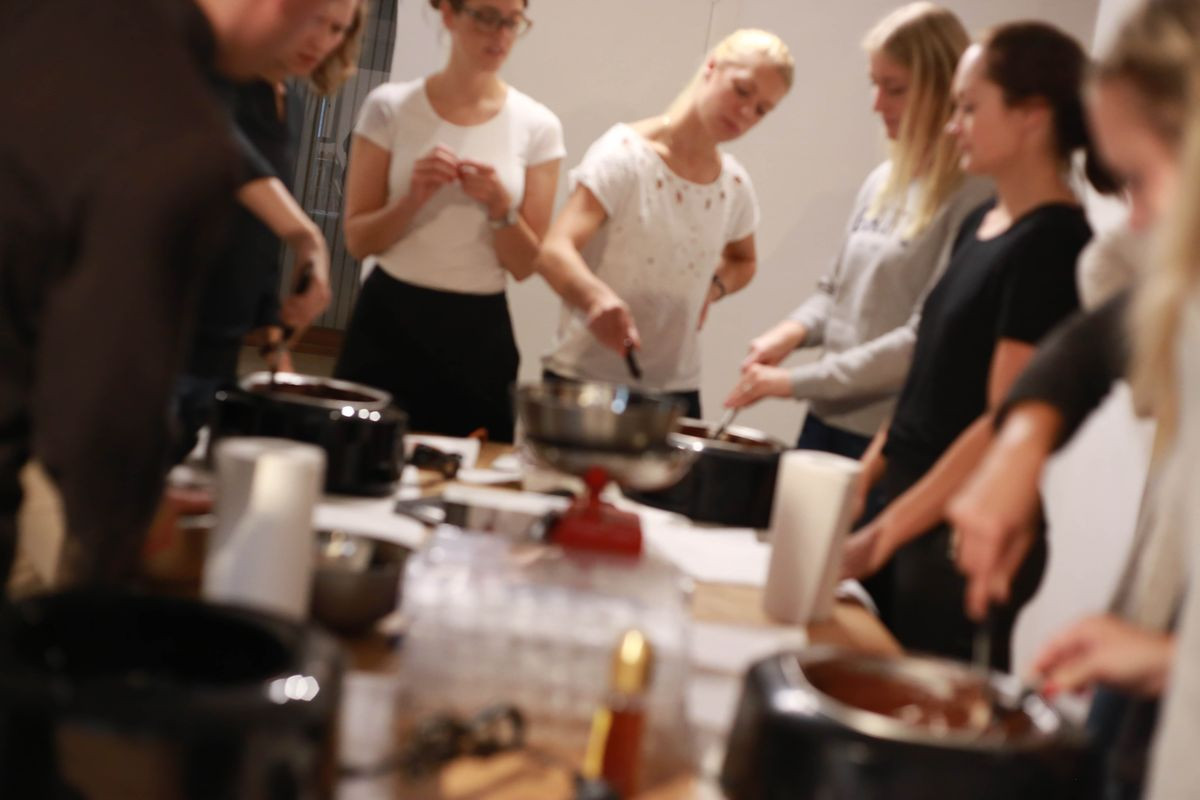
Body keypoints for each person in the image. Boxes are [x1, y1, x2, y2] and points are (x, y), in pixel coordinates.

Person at [0, 0, 337, 588]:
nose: (314, 41)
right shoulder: (178, 132)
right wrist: (133, 544)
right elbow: (101, 411)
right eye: (318, 19)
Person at [840, 21, 1120, 669]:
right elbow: (930, 381)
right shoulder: (980, 221)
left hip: (955, 535)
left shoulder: (1054, 246)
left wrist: (888, 531)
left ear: (1031, 117)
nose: (950, 125)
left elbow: (1000, 423)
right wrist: (867, 476)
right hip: (911, 508)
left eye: (969, 108)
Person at [723, 3, 991, 458]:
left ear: (944, 87)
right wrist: (789, 333)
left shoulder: (975, 198)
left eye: (895, 89)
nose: (876, 104)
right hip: (825, 420)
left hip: (890, 439)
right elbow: (834, 292)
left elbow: (920, 341)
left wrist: (793, 382)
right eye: (875, 84)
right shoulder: (882, 182)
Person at [335, 0, 563, 443]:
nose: (499, 35)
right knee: (358, 466)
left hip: (479, 329)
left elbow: (525, 265)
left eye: (512, 21)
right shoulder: (391, 107)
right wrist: (413, 199)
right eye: (485, 16)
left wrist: (501, 208)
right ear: (449, 15)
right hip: (390, 319)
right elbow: (358, 240)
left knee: (471, 482)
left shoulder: (538, 126)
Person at [536, 29, 794, 418]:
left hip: (675, 388)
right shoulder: (626, 155)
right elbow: (554, 251)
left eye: (761, 109)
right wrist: (594, 298)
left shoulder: (733, 184)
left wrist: (714, 288)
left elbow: (744, 260)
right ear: (711, 68)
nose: (746, 113)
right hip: (587, 381)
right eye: (742, 91)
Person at [175, 0, 366, 461]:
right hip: (172, 326)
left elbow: (256, 229)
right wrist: (307, 235)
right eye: (315, 20)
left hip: (223, 339)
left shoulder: (290, 103)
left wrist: (273, 337)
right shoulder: (215, 79)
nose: (321, 40)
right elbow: (223, 146)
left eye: (337, 29)